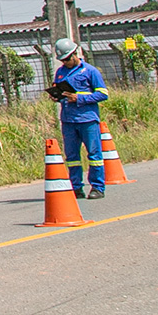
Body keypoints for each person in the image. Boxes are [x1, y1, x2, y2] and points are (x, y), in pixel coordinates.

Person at [51, 38, 109, 199]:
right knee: (72, 156)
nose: (66, 62)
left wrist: (79, 98)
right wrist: (56, 96)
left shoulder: (90, 71)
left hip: (87, 119)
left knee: (94, 154)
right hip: (69, 120)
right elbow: (60, 91)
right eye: (63, 60)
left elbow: (103, 94)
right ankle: (76, 186)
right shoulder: (61, 72)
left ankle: (97, 187)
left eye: (68, 59)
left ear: (74, 54)